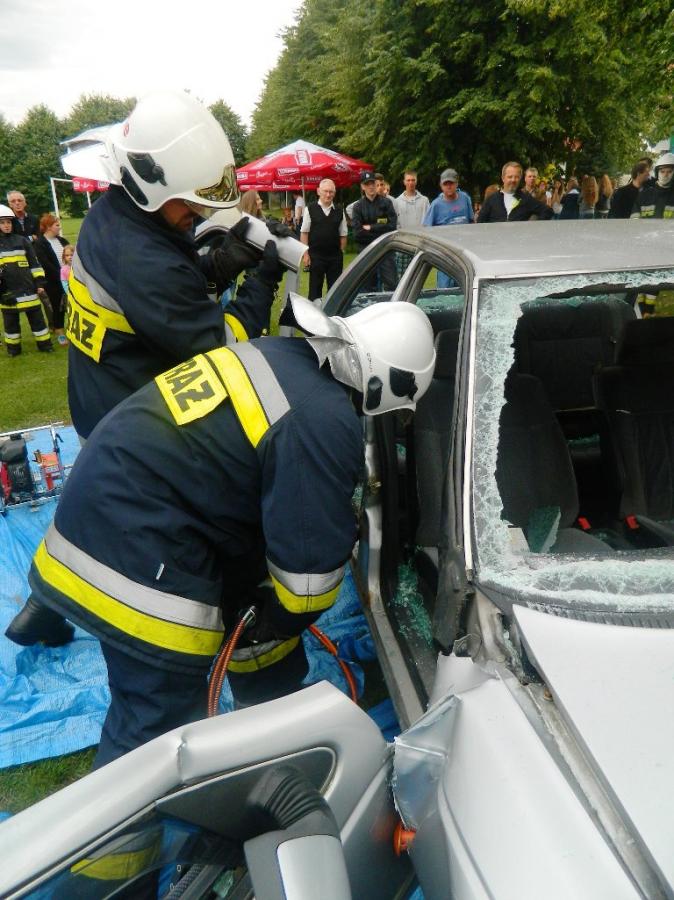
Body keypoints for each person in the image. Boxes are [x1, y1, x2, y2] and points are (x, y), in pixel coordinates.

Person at [10, 294, 435, 766]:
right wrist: (277, 616)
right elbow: (308, 584)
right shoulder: (323, 420)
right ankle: (128, 812)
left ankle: (266, 727)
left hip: (111, 493)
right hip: (135, 543)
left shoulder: (277, 354)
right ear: (386, 386)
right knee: (157, 725)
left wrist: (264, 620)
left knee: (258, 603)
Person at [60, 90, 277, 443]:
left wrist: (219, 266)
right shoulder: (142, 261)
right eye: (188, 201)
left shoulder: (114, 213)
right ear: (149, 184)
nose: (197, 212)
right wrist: (261, 285)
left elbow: (166, 295)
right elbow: (221, 345)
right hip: (130, 437)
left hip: (101, 400)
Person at [0, 205, 54, 356]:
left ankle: (45, 345)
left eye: (8, 222)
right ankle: (13, 350)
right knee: (11, 325)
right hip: (8, 294)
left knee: (38, 321)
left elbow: (34, 264)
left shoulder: (22, 241)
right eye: (2, 222)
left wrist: (39, 283)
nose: (6, 225)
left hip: (29, 290)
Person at [423, 168, 473, 289]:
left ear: (457, 183)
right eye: (446, 184)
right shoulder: (436, 205)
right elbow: (427, 229)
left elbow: (472, 222)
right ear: (441, 186)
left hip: (464, 253)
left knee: (465, 286)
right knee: (445, 288)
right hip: (445, 254)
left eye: (451, 183)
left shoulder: (465, 198)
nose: (449, 186)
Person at [300, 178, 348, 300]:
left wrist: (341, 252)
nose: (328, 194)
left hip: (335, 258)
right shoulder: (310, 209)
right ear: (318, 191)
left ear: (334, 193)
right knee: (314, 291)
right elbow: (304, 233)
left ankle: (333, 311)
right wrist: (305, 254)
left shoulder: (339, 210)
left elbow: (343, 234)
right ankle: (313, 312)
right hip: (316, 257)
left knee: (335, 292)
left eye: (331, 192)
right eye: (325, 191)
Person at [351, 171, 397, 290]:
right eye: (367, 184)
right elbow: (357, 234)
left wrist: (371, 228)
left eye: (372, 183)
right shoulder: (358, 207)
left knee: (392, 284)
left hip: (385, 249)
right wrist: (381, 229)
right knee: (368, 287)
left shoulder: (386, 203)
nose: (371, 186)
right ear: (362, 186)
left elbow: (392, 226)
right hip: (366, 250)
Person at [477, 162, 553, 222]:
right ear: (503, 178)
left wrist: (533, 226)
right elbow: (480, 222)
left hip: (520, 237)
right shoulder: (492, 199)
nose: (513, 180)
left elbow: (547, 211)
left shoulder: (526, 199)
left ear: (520, 179)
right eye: (510, 177)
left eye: (516, 177)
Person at [34, 214, 69, 340]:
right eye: (57, 225)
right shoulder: (40, 243)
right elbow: (45, 264)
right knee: (57, 307)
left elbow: (70, 256)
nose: (60, 227)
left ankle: (73, 330)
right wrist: (61, 275)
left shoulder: (62, 241)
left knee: (70, 306)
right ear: (48, 227)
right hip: (52, 282)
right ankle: (60, 333)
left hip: (68, 279)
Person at [631, 151, 674, 219]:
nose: (665, 175)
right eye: (662, 171)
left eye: (669, 172)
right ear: (657, 173)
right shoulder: (644, 195)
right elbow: (634, 220)